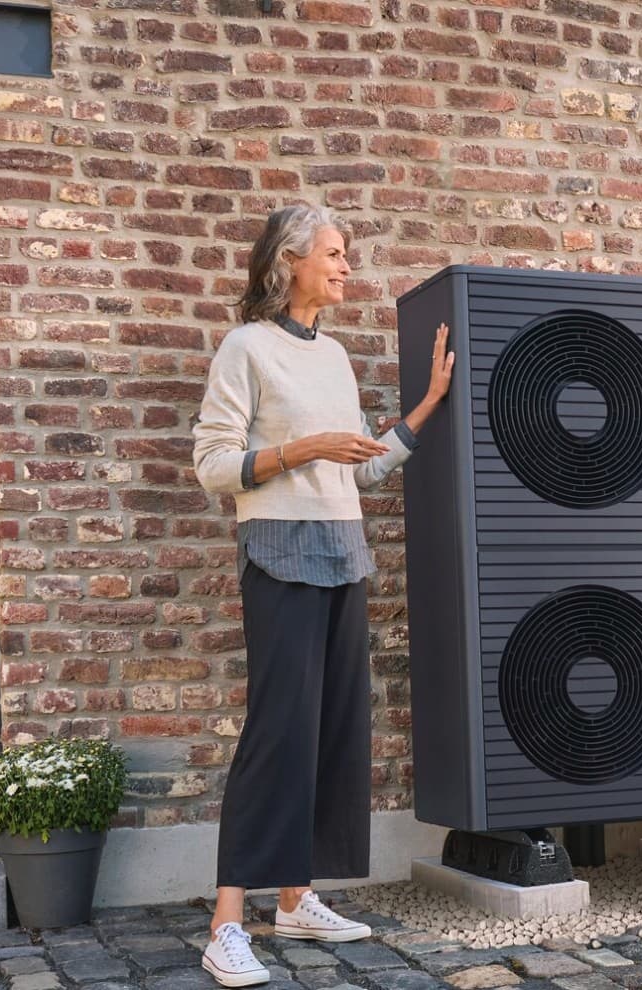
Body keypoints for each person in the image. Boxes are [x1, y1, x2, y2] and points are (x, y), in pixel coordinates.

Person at [191, 202, 454, 987]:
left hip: (344, 557)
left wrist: (425, 407)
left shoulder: (334, 356)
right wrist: (304, 448)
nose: (346, 267)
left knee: (333, 731)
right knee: (277, 732)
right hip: (279, 557)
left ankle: (297, 897)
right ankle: (225, 922)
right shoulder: (246, 348)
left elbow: (359, 470)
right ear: (291, 261)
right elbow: (212, 465)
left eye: (346, 255)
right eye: (334, 254)